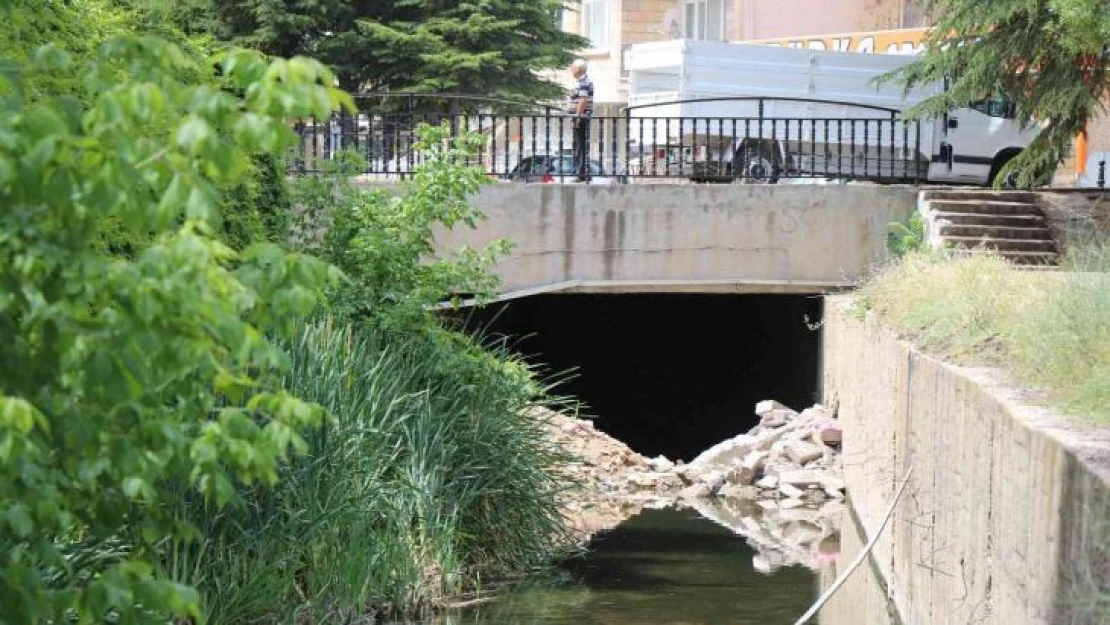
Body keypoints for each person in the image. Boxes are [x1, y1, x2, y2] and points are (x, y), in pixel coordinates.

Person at [567, 59, 594, 182]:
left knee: (580, 145)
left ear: (579, 69)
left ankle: (581, 173)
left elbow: (583, 100)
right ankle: (583, 172)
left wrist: (578, 117)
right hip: (581, 116)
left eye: (573, 67)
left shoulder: (583, 82)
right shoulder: (583, 81)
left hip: (581, 117)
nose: (571, 69)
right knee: (580, 145)